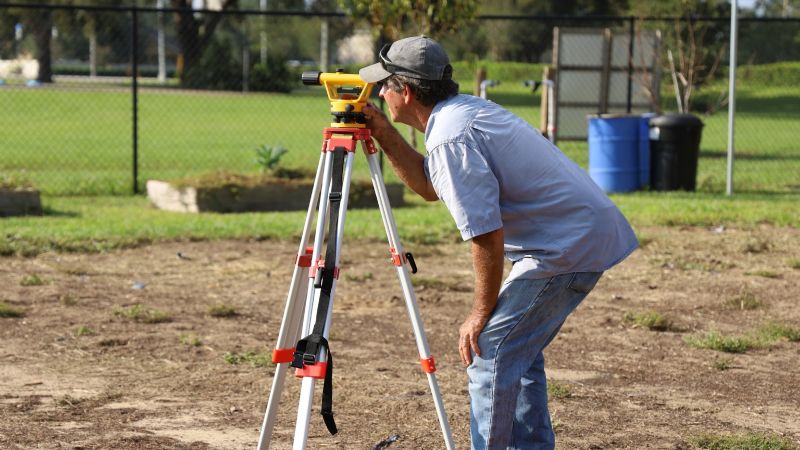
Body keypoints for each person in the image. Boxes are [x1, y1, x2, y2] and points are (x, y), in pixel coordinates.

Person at [359, 36, 638, 450]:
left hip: (564, 247)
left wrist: (479, 313)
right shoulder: (460, 113)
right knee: (515, 353)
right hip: (574, 237)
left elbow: (486, 233)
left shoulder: (451, 137)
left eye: (386, 85)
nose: (381, 93)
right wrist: (382, 131)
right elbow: (429, 186)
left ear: (409, 92)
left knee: (488, 351)